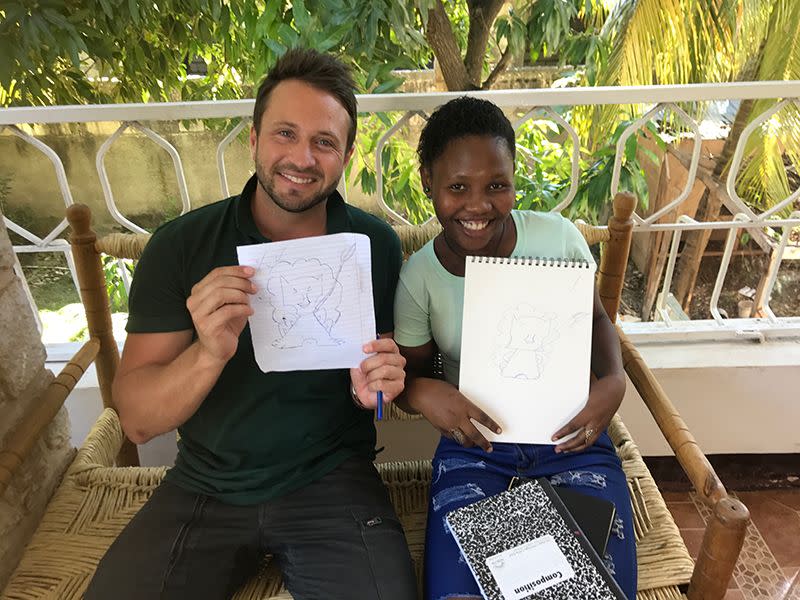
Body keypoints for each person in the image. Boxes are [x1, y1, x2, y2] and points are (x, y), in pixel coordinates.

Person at [86, 49, 417, 600]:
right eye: (285, 133)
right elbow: (139, 422)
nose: (302, 157)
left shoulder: (371, 246)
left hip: (333, 480)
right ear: (254, 139)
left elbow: (379, 395)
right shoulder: (182, 246)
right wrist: (208, 352)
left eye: (324, 142)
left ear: (347, 155)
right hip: (204, 485)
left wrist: (376, 395)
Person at [393, 96, 637, 600]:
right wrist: (420, 394)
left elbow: (594, 320)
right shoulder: (420, 277)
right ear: (427, 183)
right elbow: (408, 377)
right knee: (461, 589)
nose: (478, 205)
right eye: (457, 187)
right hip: (476, 448)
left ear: (513, 180)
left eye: (496, 186)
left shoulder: (557, 240)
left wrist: (613, 381)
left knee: (592, 586)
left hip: (572, 439)